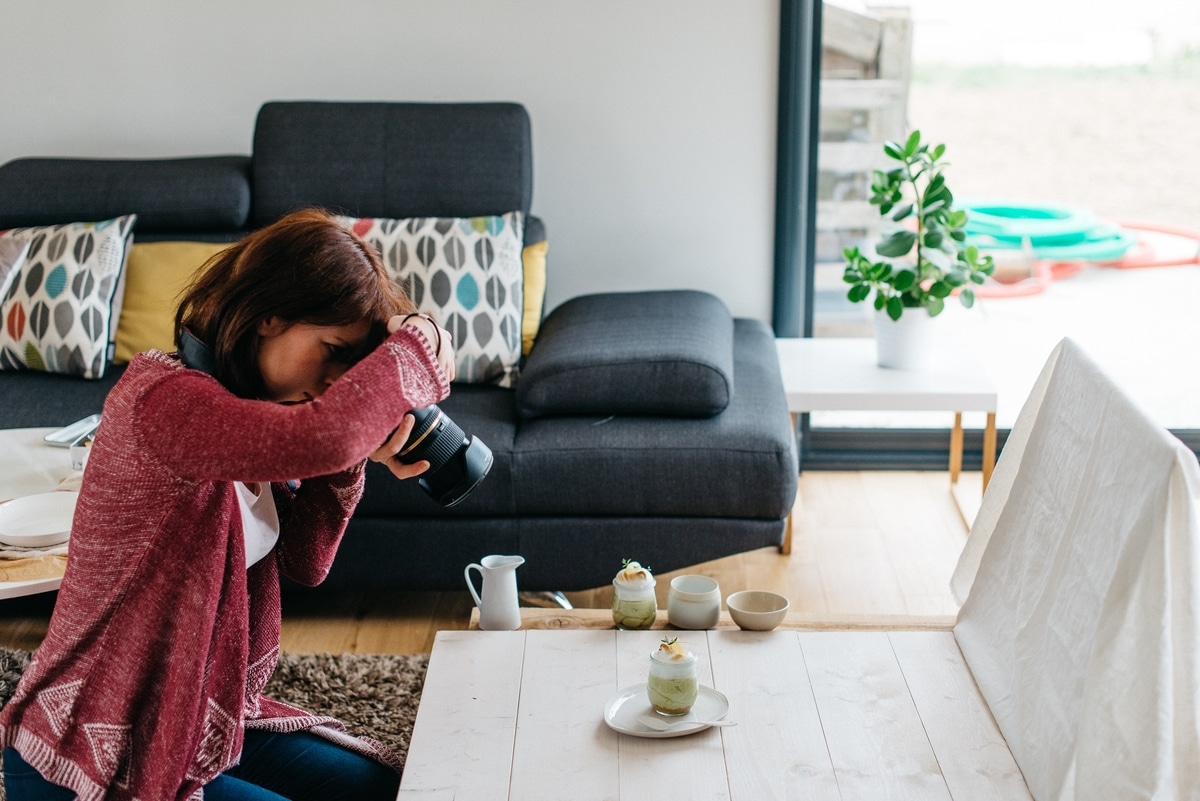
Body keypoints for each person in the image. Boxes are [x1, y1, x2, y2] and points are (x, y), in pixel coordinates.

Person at [0, 209, 455, 800]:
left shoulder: (249, 416)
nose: (341, 380)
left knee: (394, 788)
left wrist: (352, 452)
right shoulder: (163, 400)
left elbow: (307, 559)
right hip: (93, 748)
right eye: (333, 349)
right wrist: (414, 349)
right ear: (268, 316)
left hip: (199, 717)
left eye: (352, 365)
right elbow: (323, 435)